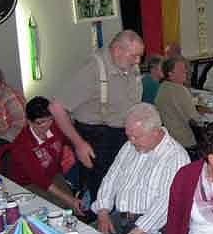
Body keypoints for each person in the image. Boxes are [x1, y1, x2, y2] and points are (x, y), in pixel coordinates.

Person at [49, 30, 144, 202]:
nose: (138, 61)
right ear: (117, 50)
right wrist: (79, 144)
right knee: (99, 197)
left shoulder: (130, 66)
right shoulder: (93, 69)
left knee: (122, 192)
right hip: (97, 140)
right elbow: (56, 108)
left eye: (139, 56)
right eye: (134, 56)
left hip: (124, 137)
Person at [92, 103, 190, 234]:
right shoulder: (130, 146)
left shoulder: (176, 157)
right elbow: (111, 178)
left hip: (152, 230)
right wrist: (103, 211)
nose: (131, 141)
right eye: (128, 136)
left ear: (155, 132)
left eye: (136, 137)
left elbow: (164, 206)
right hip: (121, 217)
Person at [0, 97, 82, 214]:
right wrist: (69, 199)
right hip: (28, 184)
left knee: (70, 207)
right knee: (57, 210)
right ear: (29, 121)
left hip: (53, 174)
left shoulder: (54, 126)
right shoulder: (22, 146)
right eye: (40, 122)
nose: (47, 125)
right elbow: (40, 179)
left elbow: (70, 140)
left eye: (50, 119)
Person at [154, 56, 201, 149]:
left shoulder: (162, 87)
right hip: (186, 141)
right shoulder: (180, 90)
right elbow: (195, 119)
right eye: (181, 70)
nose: (186, 72)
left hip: (169, 138)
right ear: (170, 74)